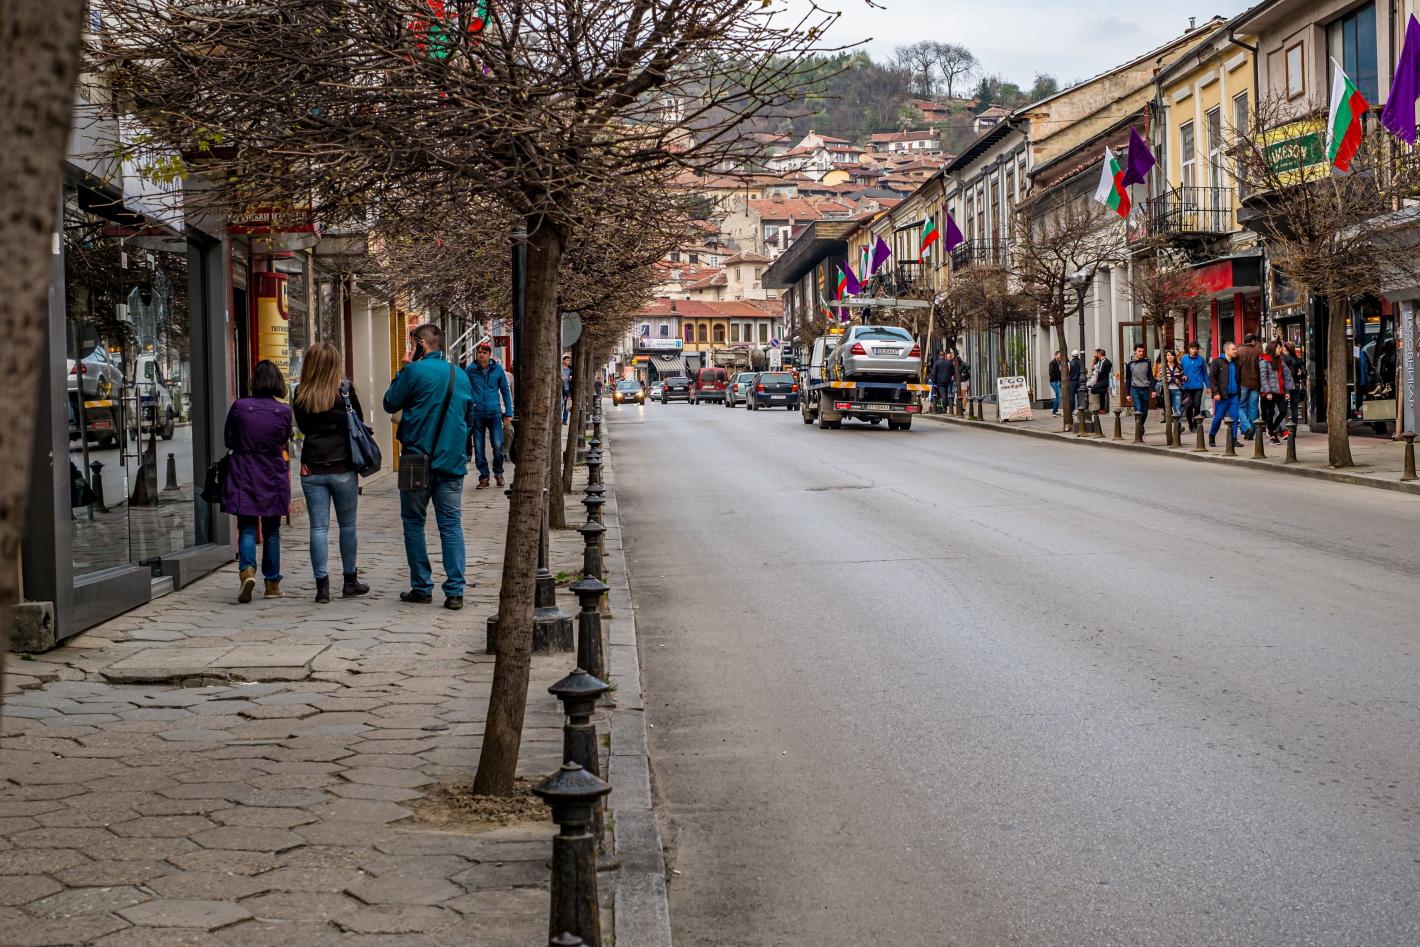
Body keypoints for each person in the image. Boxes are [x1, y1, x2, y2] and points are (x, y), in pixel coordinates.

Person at [384, 323, 476, 610]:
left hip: (415, 459)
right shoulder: (460, 375)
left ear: (421, 344)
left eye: (412, 344)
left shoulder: (414, 371)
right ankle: (455, 590)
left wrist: (405, 367)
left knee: (413, 523)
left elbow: (389, 402)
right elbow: (467, 419)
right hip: (450, 462)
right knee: (450, 525)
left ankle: (422, 586)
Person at [293, 342, 370, 605]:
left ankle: (322, 587)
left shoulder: (301, 394)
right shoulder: (345, 390)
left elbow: (302, 427)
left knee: (318, 527)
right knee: (347, 525)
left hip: (312, 466)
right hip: (343, 467)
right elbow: (357, 420)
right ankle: (350, 581)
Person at [223, 360, 293, 603]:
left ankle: (247, 571)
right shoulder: (284, 411)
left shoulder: (240, 407)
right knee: (273, 529)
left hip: (245, 469)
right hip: (272, 471)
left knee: (247, 526)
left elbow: (229, 440)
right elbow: (284, 439)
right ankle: (272, 584)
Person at [465, 341, 513, 489]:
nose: (481, 354)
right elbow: (464, 390)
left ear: (490, 354)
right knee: (479, 448)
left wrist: (508, 414)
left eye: (485, 352)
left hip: (494, 413)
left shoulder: (497, 370)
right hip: (477, 413)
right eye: (479, 352)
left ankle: (498, 472)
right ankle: (484, 477)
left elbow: (505, 391)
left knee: (498, 445)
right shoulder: (470, 370)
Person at [1259, 344, 1294, 444]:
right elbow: (1263, 378)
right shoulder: (1264, 361)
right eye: (1279, 347)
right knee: (1271, 413)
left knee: (1283, 411)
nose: (1281, 349)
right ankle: (1273, 436)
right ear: (1273, 349)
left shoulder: (1280, 361)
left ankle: (1271, 429)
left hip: (1279, 391)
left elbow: (1287, 376)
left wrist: (1287, 391)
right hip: (1269, 392)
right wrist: (1268, 392)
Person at [1208, 340, 1241, 447]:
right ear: (1226, 350)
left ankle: (1234, 439)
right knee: (1218, 418)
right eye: (1233, 349)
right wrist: (1216, 392)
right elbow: (1212, 378)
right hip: (1222, 396)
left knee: (1235, 418)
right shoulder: (1217, 362)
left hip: (1234, 395)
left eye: (1235, 349)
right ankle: (1212, 435)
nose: (1235, 351)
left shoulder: (1236, 362)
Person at [1235, 332, 1263, 440]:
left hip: (1243, 384)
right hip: (1255, 384)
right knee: (1253, 407)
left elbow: (1236, 369)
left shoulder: (1239, 352)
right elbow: (1260, 369)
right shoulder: (1258, 352)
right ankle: (1253, 430)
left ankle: (1246, 428)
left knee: (1241, 406)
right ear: (1253, 341)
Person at [1180, 340, 1209, 432]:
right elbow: (1180, 371)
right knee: (1189, 405)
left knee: (1197, 405)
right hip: (1187, 386)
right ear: (1189, 349)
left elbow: (1204, 373)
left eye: (1196, 348)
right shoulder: (1184, 358)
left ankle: (1196, 424)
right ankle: (1190, 424)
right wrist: (1181, 378)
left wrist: (1208, 386)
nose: (1194, 350)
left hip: (1198, 386)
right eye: (1192, 348)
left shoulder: (1201, 359)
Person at [1124, 343, 1152, 427]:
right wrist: (1128, 393)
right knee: (1138, 409)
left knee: (1145, 412)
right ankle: (1139, 429)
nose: (1141, 353)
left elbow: (1150, 376)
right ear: (1135, 352)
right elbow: (1128, 379)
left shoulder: (1147, 362)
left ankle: (1140, 425)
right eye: (1139, 351)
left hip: (1145, 389)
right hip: (1135, 389)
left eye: (1142, 351)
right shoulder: (1130, 364)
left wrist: (1153, 389)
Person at [1283, 341, 1306, 427]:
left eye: (1284, 347)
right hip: (1295, 384)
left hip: (1286, 386)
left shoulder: (1284, 359)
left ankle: (1284, 429)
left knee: (1283, 408)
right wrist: (1298, 378)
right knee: (1294, 409)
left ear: (1286, 348)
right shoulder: (1298, 359)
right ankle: (1294, 429)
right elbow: (1304, 372)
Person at [1160, 349, 1184, 420]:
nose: (1169, 356)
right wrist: (1174, 379)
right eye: (1168, 355)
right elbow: (1163, 378)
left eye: (1171, 355)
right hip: (1167, 390)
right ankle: (1170, 425)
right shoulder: (1163, 367)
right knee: (1168, 409)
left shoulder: (1179, 367)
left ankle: (1177, 426)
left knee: (1177, 408)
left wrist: (1182, 379)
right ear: (1166, 357)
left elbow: (1182, 378)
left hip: (1177, 390)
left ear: (1174, 357)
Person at [1087, 348, 1112, 414]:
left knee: (1093, 389)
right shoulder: (1104, 361)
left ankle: (1105, 391)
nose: (1097, 355)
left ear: (1100, 354)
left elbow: (1100, 372)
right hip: (1103, 380)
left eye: (1097, 354)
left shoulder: (1105, 362)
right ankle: (1102, 409)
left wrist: (1097, 380)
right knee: (1102, 396)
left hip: (1103, 380)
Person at [1067, 350, 1084, 416]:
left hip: (1072, 381)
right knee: (1079, 396)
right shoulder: (1081, 362)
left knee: (1072, 396)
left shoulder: (1070, 363)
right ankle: (1080, 409)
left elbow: (1068, 372)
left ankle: (1072, 410)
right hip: (1080, 381)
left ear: (1072, 355)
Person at [1048, 350, 1063, 415]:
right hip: (1054, 381)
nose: (1060, 356)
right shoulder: (1052, 363)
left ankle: (1055, 411)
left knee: (1058, 396)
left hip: (1058, 381)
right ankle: (1054, 411)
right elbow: (1050, 372)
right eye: (1059, 355)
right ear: (1056, 355)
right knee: (1058, 396)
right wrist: (1057, 378)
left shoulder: (1059, 363)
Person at [560, 353, 573, 424]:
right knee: (560, 403)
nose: (568, 361)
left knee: (567, 405)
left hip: (568, 389)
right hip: (561, 388)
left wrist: (571, 378)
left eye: (569, 360)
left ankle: (565, 420)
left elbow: (572, 377)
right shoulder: (560, 368)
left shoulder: (570, 369)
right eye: (567, 360)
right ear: (563, 361)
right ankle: (559, 418)